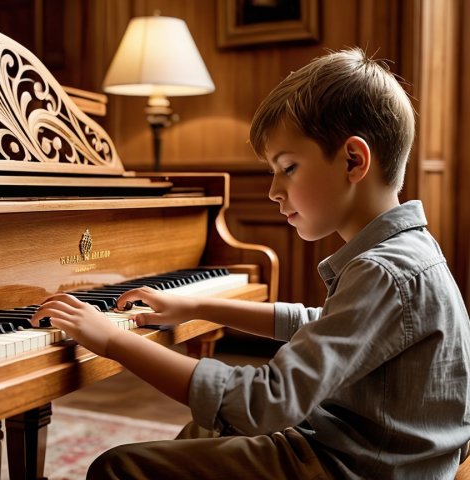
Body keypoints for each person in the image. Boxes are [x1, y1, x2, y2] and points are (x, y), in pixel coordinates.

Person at [31, 47, 470, 479]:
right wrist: (199, 307)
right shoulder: (408, 251)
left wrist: (111, 341)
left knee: (119, 468)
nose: (273, 191)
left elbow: (266, 403)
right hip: (375, 453)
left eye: (288, 168)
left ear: (353, 160)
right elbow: (320, 324)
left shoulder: (382, 270)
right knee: (202, 430)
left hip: (353, 465)